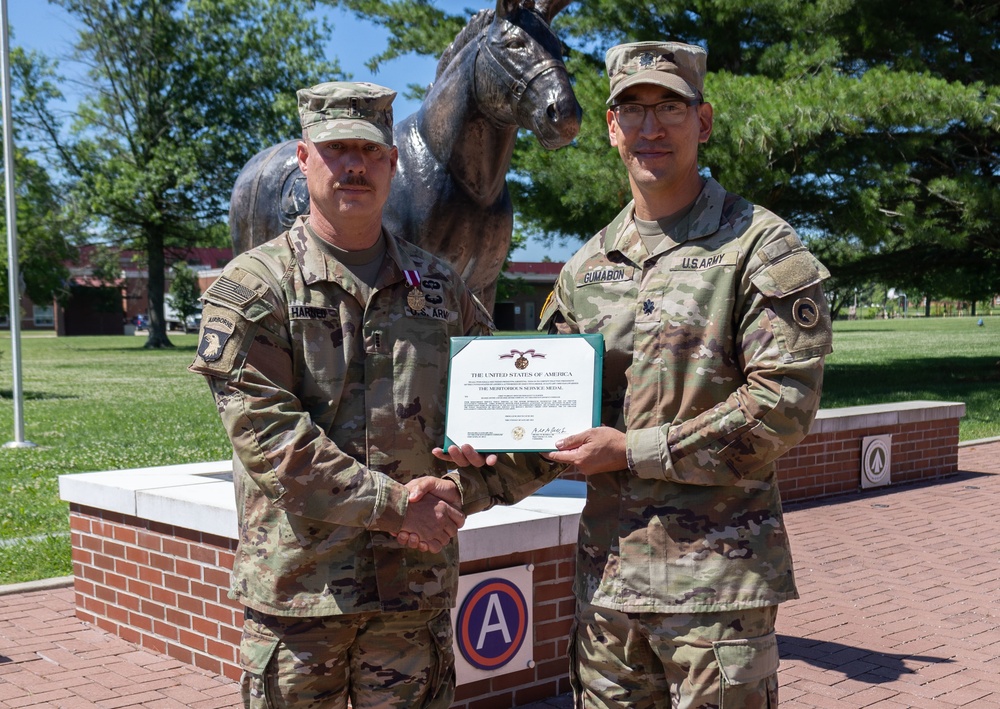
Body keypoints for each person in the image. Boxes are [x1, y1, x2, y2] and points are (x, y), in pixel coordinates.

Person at [189, 81, 548, 709]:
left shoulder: (440, 286)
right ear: (304, 159)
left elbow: (509, 409)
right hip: (302, 598)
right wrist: (398, 506)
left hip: (410, 597)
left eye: (369, 150)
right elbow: (271, 443)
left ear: (393, 162)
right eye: (336, 150)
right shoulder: (251, 289)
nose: (354, 165)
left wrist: (471, 482)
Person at [538, 41, 834, 707]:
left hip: (715, 597)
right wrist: (477, 465)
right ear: (612, 128)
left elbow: (780, 407)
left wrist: (634, 450)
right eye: (632, 110)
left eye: (669, 107)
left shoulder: (761, 247)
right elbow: (553, 413)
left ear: (701, 122)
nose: (650, 128)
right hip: (609, 592)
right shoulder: (587, 268)